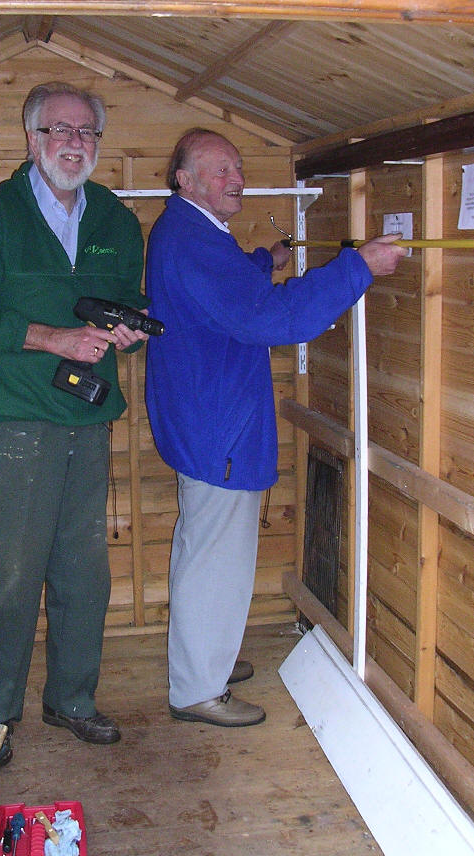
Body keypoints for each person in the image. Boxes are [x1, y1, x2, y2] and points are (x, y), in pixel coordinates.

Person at [145, 127, 407, 728]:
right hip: (218, 423)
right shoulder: (192, 241)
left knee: (202, 548)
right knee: (216, 556)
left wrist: (266, 261)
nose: (233, 178)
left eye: (236, 167)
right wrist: (357, 268)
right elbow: (275, 318)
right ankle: (197, 690)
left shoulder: (190, 231)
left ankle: (201, 658)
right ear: (183, 180)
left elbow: (232, 287)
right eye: (218, 170)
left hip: (204, 414)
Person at [0, 81, 148, 762]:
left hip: (87, 422)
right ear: (32, 139)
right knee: (10, 574)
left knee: (84, 571)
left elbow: (129, 301)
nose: (74, 143)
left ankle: (72, 700)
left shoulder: (114, 218)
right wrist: (52, 338)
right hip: (14, 426)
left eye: (86, 131)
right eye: (59, 130)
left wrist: (128, 332)